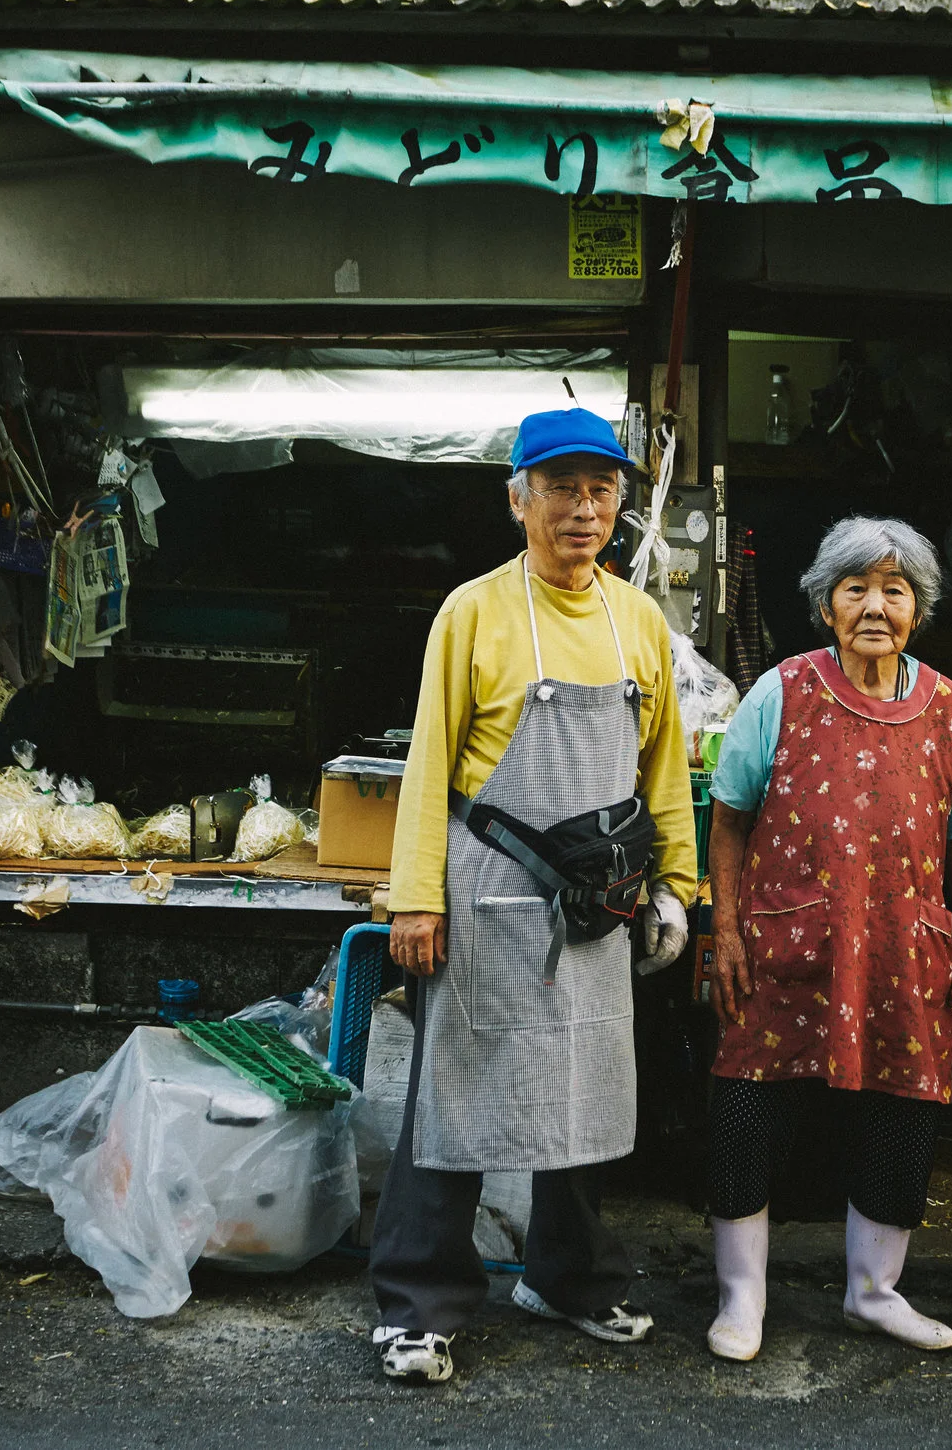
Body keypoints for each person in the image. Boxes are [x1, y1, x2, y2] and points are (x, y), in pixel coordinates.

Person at [368, 406, 694, 1385]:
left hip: (599, 903)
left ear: (619, 504)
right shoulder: (473, 611)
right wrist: (415, 898)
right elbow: (429, 762)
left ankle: (568, 1277)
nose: (582, 509)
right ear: (517, 499)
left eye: (600, 490)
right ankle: (418, 1301)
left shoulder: (636, 618)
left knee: (584, 1093)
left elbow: (664, 763)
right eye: (559, 488)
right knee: (453, 1101)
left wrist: (677, 883)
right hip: (488, 892)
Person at [702, 517, 952, 1362]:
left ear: (919, 608)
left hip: (908, 945)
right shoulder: (784, 690)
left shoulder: (950, 709)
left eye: (894, 590)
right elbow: (730, 815)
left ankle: (875, 1292)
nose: (875, 605)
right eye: (855, 588)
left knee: (902, 1109)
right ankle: (740, 1299)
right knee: (749, 1107)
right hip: (786, 938)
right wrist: (724, 928)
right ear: (826, 605)